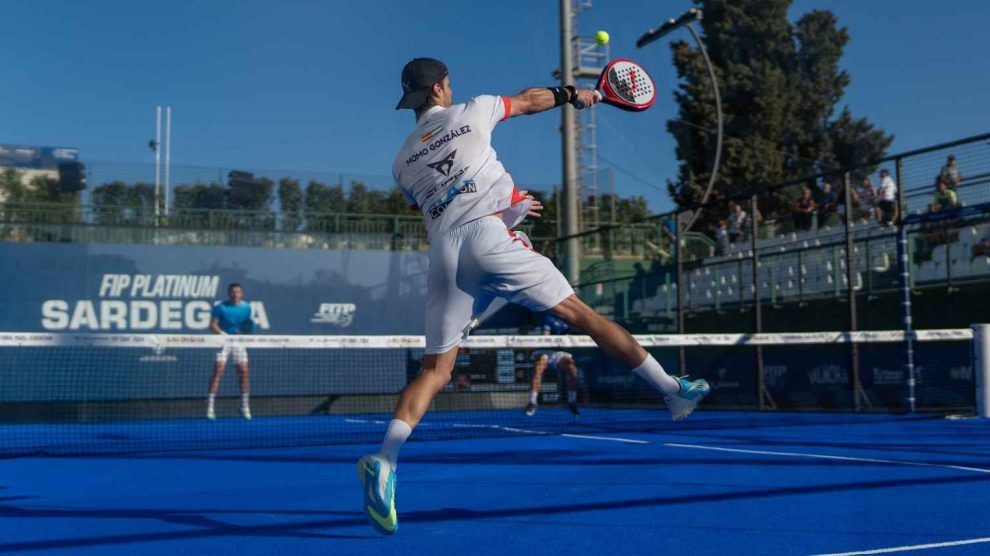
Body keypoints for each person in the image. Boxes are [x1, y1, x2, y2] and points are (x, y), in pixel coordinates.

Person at [357, 58, 710, 536]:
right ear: (441, 86)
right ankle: (672, 391)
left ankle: (386, 458)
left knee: (435, 371)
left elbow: (444, 204)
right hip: (488, 239)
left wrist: (506, 209)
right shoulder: (473, 109)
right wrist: (576, 95)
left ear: (411, 99)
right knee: (582, 315)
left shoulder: (400, 162)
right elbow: (528, 101)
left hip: (444, 254)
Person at [206, 283, 254, 421]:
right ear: (229, 293)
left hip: (238, 342)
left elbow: (245, 325)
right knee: (218, 372)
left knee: (244, 372)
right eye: (232, 291)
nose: (235, 294)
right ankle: (210, 407)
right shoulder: (220, 308)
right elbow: (213, 324)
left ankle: (245, 407)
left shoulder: (247, 308)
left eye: (237, 291)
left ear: (241, 293)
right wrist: (223, 335)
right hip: (223, 341)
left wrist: (244, 333)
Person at [526, 349, 580, 417]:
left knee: (572, 370)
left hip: (561, 352)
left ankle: (571, 402)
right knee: (538, 369)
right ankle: (533, 402)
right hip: (543, 351)